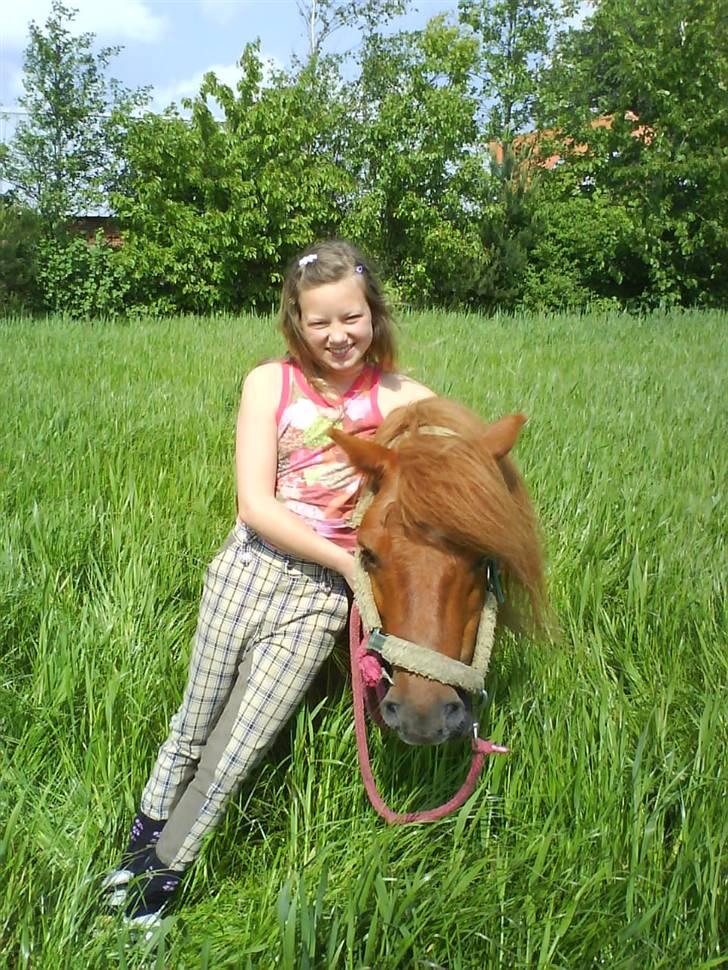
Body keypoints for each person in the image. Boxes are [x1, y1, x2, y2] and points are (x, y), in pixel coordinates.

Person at [102, 240, 434, 927]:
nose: (338, 335)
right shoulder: (269, 384)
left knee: (237, 747)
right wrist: (347, 562)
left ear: (374, 314)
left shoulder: (402, 397)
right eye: (320, 321)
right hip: (247, 571)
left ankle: (158, 882)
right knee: (193, 727)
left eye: (352, 317)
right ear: (296, 323)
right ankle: (139, 847)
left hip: (321, 600)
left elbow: (461, 448)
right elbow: (255, 505)